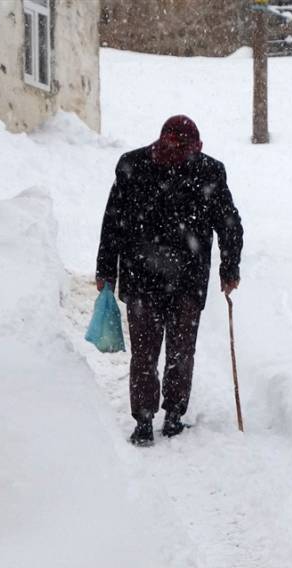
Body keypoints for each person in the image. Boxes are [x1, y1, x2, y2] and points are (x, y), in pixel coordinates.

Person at [96, 115, 243, 447]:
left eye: (187, 148)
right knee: (148, 352)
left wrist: (229, 268)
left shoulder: (210, 171)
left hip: (184, 280)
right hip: (143, 277)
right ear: (162, 140)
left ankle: (172, 416)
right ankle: (145, 420)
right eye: (175, 146)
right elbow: (113, 221)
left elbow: (229, 223)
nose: (179, 154)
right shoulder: (132, 165)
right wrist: (106, 270)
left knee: (179, 351)